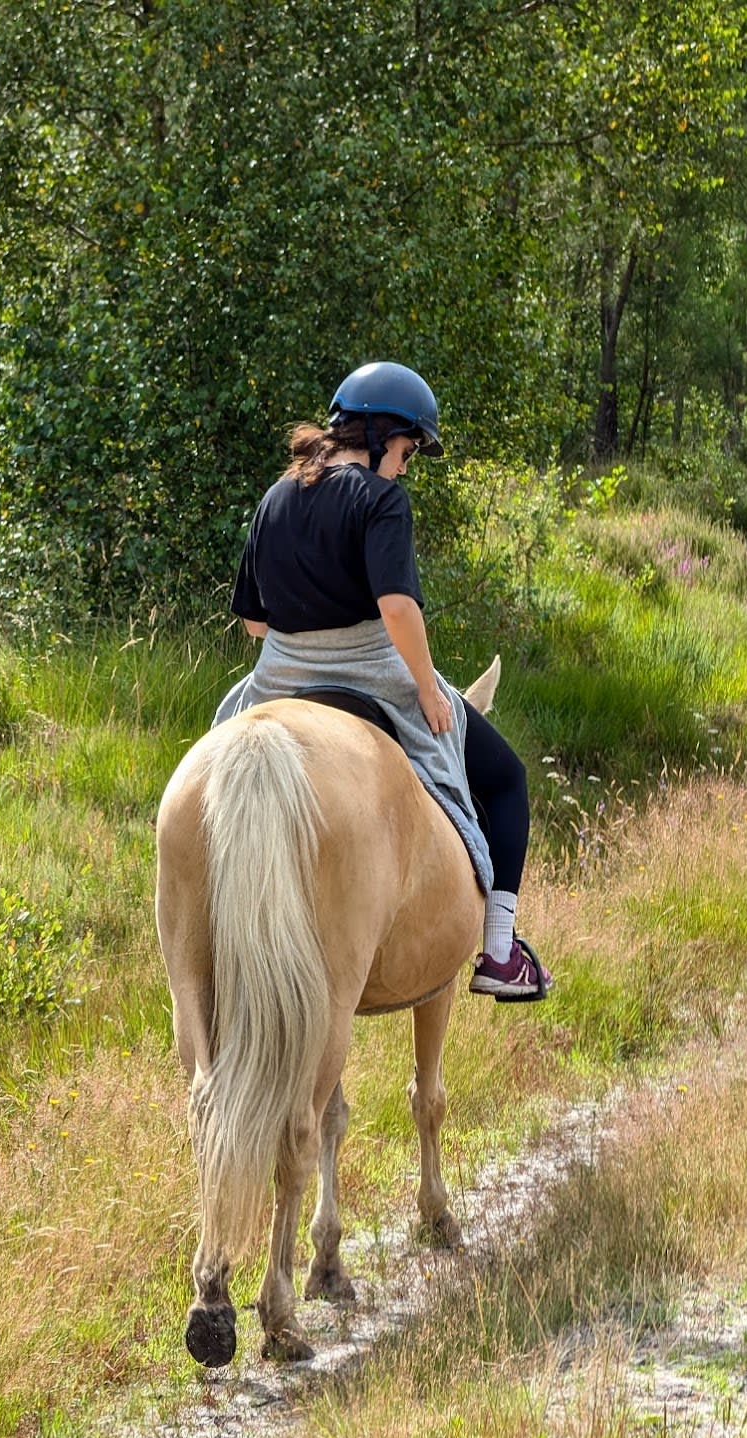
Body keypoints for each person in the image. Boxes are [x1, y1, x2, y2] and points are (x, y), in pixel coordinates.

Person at [214, 360, 551, 1002]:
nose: (403, 466)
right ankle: (501, 954)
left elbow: (254, 623)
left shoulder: (275, 496)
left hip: (277, 673)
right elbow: (397, 609)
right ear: (380, 436)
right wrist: (426, 688)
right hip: (372, 671)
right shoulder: (379, 498)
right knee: (506, 778)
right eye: (407, 451)